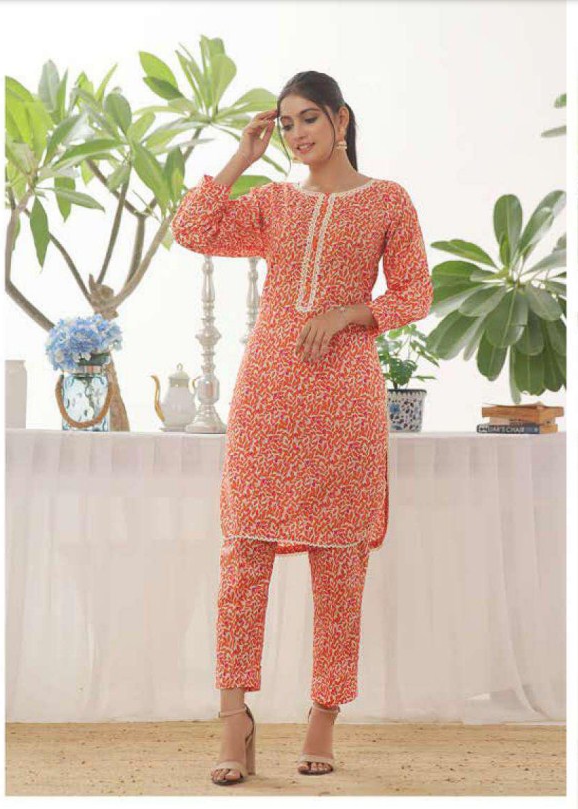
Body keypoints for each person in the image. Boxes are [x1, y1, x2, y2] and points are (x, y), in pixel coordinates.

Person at [170, 70, 434, 786]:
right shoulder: (273, 202)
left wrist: (349, 313)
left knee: (339, 560)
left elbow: (415, 292)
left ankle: (324, 714)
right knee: (243, 554)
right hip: (268, 394)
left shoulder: (387, 200)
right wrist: (242, 156)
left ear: (341, 119)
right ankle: (234, 719)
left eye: (307, 118)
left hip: (344, 397)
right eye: (285, 123)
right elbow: (192, 229)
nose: (295, 134)